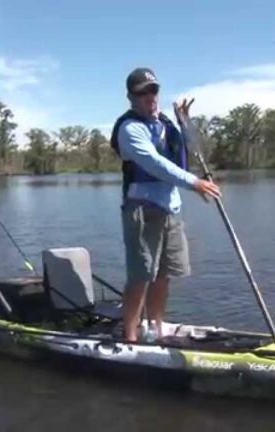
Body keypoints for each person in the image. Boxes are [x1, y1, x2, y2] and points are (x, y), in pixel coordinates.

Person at [110, 67, 221, 342]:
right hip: (142, 209)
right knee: (141, 276)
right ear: (131, 97)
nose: (150, 96)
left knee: (164, 275)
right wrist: (194, 183)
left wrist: (185, 122)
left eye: (154, 90)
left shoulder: (166, 124)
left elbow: (194, 149)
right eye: (143, 92)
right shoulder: (129, 128)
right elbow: (155, 164)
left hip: (171, 208)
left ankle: (157, 330)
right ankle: (131, 337)